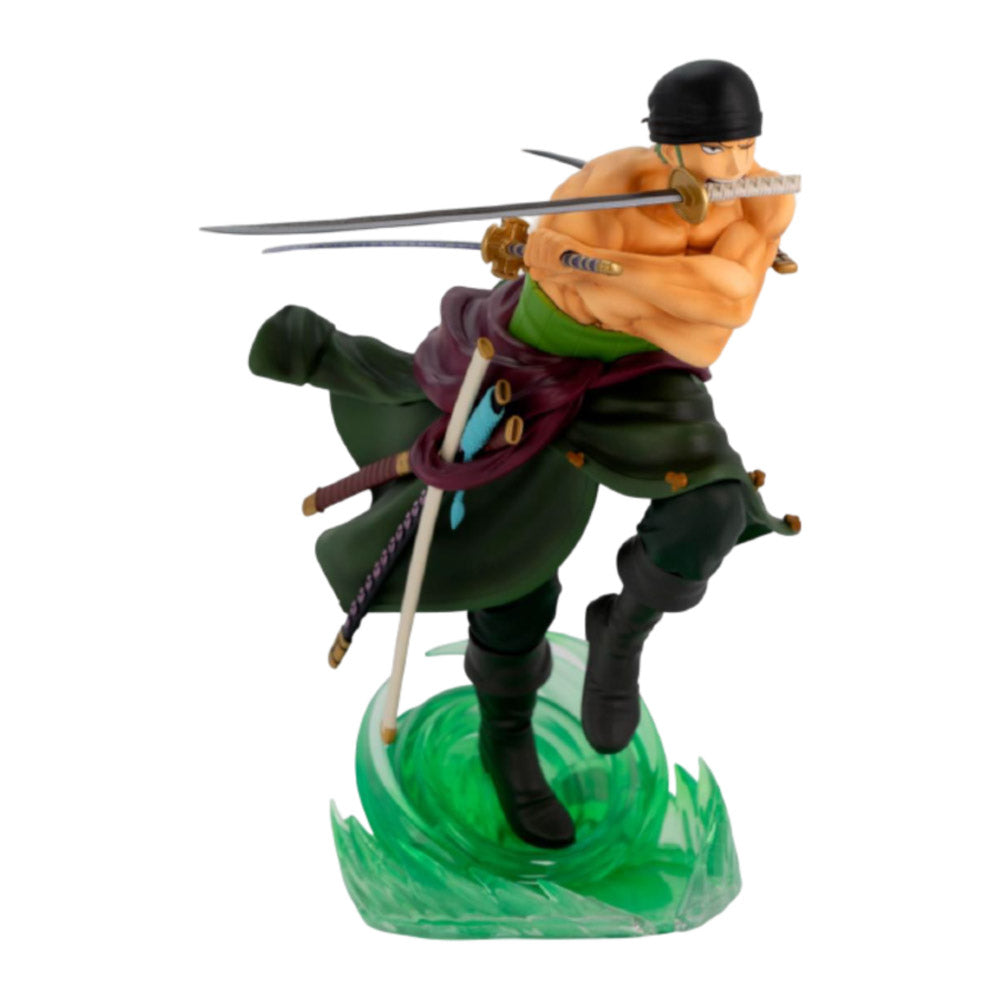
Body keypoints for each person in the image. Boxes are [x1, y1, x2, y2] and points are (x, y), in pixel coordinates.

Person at [248, 60, 798, 850]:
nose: (737, 166)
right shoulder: (606, 194)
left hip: (640, 371)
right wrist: (640, 280)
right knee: (512, 557)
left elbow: (727, 305)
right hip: (536, 362)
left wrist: (614, 276)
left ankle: (621, 634)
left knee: (712, 506)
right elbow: (674, 299)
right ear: (669, 148)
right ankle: (506, 735)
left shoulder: (764, 195)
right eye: (715, 150)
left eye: (746, 145)